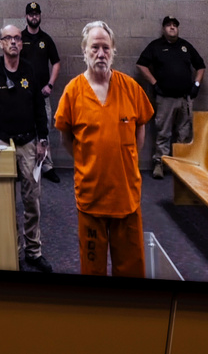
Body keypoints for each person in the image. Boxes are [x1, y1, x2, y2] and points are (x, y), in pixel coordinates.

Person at [55, 21, 153, 277]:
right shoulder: (73, 92)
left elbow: (140, 125)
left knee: (131, 269)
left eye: (106, 48)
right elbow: (65, 135)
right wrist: (85, 160)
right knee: (93, 271)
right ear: (84, 51)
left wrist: (128, 158)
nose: (101, 53)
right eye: (95, 47)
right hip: (91, 197)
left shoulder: (131, 88)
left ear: (113, 51)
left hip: (125, 196)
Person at [0, 24, 52, 272]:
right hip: (3, 145)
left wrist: (43, 140)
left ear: (22, 43)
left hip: (29, 144)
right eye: (8, 38)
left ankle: (33, 251)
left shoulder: (29, 70)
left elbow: (39, 109)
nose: (13, 42)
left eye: (17, 38)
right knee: (5, 202)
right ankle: (13, 253)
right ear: (0, 43)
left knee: (32, 201)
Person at [135, 16, 205, 179]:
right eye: (168, 25)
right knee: (163, 132)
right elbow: (141, 65)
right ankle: (160, 163)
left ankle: (180, 165)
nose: (172, 28)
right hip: (165, 98)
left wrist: (196, 85)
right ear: (163, 29)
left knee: (184, 132)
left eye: (175, 25)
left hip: (184, 98)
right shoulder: (156, 46)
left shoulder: (185, 46)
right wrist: (154, 83)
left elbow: (201, 66)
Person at [20, 1, 62, 183]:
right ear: (26, 16)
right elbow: (13, 63)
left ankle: (47, 166)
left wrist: (50, 85)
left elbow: (57, 63)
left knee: (43, 129)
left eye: (36, 14)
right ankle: (23, 166)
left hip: (42, 95)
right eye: (31, 14)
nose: (34, 17)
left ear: (40, 16)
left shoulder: (46, 39)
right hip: (23, 96)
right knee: (22, 128)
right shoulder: (19, 38)